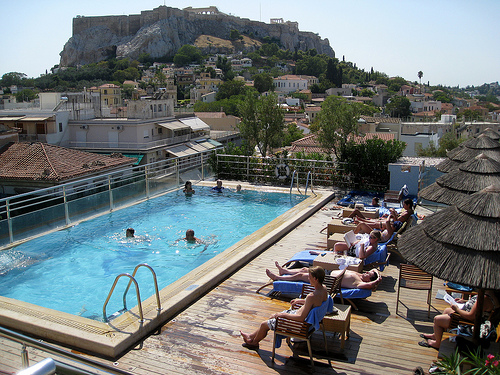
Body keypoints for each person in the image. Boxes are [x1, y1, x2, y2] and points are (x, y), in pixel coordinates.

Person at [240, 266, 328, 349]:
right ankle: (250, 337)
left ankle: (254, 343)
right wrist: (301, 301)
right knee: (271, 317)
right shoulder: (323, 289)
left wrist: (282, 315)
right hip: (307, 323)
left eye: (310, 277)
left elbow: (301, 318)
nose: (308, 279)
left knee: (264, 325)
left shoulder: (311, 297)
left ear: (315, 279)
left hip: (298, 325)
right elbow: (315, 303)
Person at [419, 290, 498, 349]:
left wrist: (457, 309)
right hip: (467, 316)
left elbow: (471, 316)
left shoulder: (485, 298)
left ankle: (438, 343)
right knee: (447, 310)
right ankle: (435, 335)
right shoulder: (490, 295)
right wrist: (465, 301)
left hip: (467, 323)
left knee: (437, 319)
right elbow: (477, 305)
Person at [266, 263, 382, 290]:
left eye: (368, 275)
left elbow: (370, 285)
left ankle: (278, 278)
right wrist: (376, 273)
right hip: (328, 273)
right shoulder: (360, 275)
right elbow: (374, 270)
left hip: (327, 281)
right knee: (305, 269)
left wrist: (377, 279)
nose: (366, 273)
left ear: (369, 279)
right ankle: (284, 271)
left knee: (301, 275)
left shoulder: (360, 283)